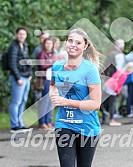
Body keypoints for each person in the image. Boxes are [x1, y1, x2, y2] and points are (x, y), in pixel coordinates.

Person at [49, 28, 101, 167]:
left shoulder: (90, 70)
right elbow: (53, 85)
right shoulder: (57, 67)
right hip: (64, 124)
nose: (73, 44)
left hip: (87, 126)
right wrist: (53, 93)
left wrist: (67, 101)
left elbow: (96, 104)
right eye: (70, 41)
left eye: (78, 42)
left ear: (85, 46)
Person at [8, 27, 32, 132]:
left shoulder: (25, 46)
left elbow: (27, 61)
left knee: (23, 101)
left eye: (24, 34)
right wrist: (18, 78)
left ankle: (20, 123)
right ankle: (14, 125)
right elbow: (12, 63)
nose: (22, 36)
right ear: (16, 34)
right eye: (20, 34)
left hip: (26, 77)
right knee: (16, 102)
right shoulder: (13, 47)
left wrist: (30, 74)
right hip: (18, 78)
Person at [103, 62, 133, 126]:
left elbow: (113, 76)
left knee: (105, 102)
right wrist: (118, 92)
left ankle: (105, 115)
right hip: (112, 89)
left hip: (107, 85)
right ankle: (111, 120)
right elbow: (119, 85)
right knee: (112, 104)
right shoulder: (124, 76)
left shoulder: (121, 70)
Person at [37, 38, 56, 129]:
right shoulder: (42, 53)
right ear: (44, 44)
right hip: (45, 80)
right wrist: (52, 63)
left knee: (50, 101)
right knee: (44, 101)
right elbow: (42, 65)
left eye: (50, 43)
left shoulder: (53, 54)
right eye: (47, 43)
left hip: (52, 80)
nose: (49, 45)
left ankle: (48, 121)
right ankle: (42, 122)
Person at [33, 31, 50, 103]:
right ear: (40, 39)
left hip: (50, 77)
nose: (44, 40)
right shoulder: (38, 50)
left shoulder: (52, 50)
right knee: (40, 98)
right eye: (42, 38)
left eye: (46, 38)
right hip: (41, 77)